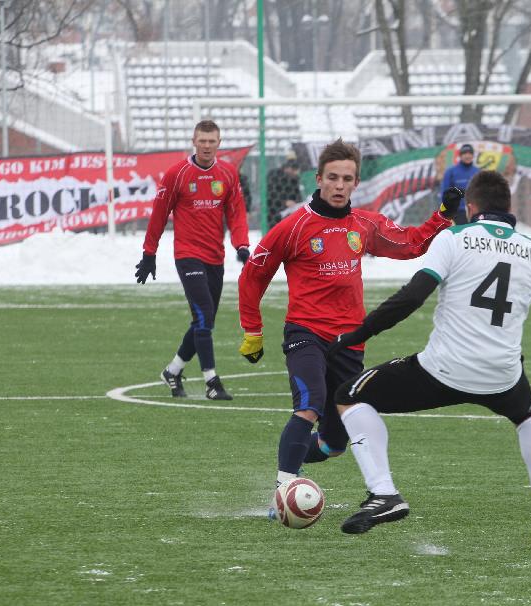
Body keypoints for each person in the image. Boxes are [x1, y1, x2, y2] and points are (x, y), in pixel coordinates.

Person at [328, 170, 531, 547]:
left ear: (471, 208)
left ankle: (384, 493)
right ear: (509, 207)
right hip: (501, 376)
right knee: (526, 416)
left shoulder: (453, 238)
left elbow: (411, 298)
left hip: (442, 369)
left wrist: (357, 334)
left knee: (349, 395)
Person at [237, 138, 463, 502]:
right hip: (306, 333)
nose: (339, 185)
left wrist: (443, 215)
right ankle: (284, 489)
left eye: (347, 179)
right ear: (318, 179)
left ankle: (293, 455)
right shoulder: (293, 227)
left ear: (356, 182)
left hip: (349, 341)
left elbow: (409, 244)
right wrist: (253, 331)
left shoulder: (364, 224)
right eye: (332, 178)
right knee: (309, 403)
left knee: (334, 443)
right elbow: (253, 274)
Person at [134, 119, 250, 401]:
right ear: (193, 142)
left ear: (219, 143)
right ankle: (212, 381)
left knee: (204, 320)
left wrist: (242, 245)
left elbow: (236, 213)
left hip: (215, 257)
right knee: (203, 315)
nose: (207, 146)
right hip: (187, 255)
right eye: (202, 141)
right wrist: (149, 253)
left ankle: (172, 371)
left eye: (212, 141)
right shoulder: (177, 174)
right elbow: (159, 214)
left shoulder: (228, 174)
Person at [440, 143, 480, 224]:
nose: (467, 156)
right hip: (457, 212)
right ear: (460, 155)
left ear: (473, 155)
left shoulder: (478, 172)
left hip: (475, 212)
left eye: (470, 153)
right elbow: (445, 193)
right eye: (465, 153)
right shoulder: (451, 172)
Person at [266, 156, 303, 226]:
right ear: (288, 168)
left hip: (289, 213)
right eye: (293, 171)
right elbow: (271, 193)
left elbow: (298, 195)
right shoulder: (274, 175)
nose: (295, 174)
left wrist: (295, 202)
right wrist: (285, 202)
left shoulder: (294, 179)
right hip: (274, 212)